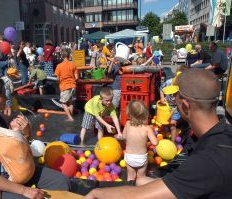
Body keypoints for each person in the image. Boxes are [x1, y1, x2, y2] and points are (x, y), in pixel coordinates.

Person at [85, 68, 232, 199]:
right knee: (141, 180)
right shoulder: (215, 136)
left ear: (186, 105)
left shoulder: (206, 162)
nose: (171, 101)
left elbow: (138, 196)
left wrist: (97, 193)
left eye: (175, 97)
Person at [0, 77, 69, 198]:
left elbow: (19, 151)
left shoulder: (1, 117)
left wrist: (27, 133)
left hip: (20, 170)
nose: (7, 98)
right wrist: (24, 190)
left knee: (61, 181)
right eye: (3, 95)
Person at [123, 100, 158, 181]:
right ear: (145, 114)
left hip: (129, 157)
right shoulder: (147, 128)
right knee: (141, 178)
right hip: (141, 158)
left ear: (129, 114)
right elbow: (155, 142)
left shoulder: (128, 124)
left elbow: (124, 137)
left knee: (130, 177)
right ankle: (141, 191)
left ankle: (129, 192)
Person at [160, 66, 187, 142]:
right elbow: (161, 88)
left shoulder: (184, 86)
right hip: (167, 106)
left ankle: (173, 141)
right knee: (164, 122)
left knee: (172, 124)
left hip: (176, 107)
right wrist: (162, 97)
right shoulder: (169, 82)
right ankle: (164, 137)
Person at [54, 50, 78, 121]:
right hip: (73, 86)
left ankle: (70, 117)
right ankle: (71, 115)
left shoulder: (59, 66)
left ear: (62, 56)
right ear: (68, 56)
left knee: (63, 103)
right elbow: (76, 77)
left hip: (65, 86)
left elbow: (57, 78)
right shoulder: (73, 64)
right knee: (71, 102)